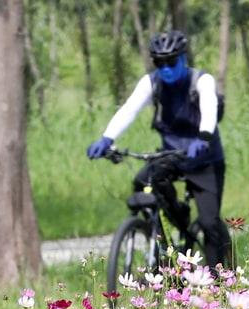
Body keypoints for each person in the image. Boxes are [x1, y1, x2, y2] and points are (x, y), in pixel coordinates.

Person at [87, 30, 231, 269]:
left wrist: (204, 138)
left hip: (205, 159)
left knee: (209, 223)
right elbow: (129, 110)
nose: (165, 68)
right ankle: (166, 228)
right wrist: (106, 138)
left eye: (171, 61)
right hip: (171, 155)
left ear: (183, 59)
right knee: (142, 182)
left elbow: (209, 111)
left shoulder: (201, 81)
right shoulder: (151, 83)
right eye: (159, 62)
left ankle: (218, 286)